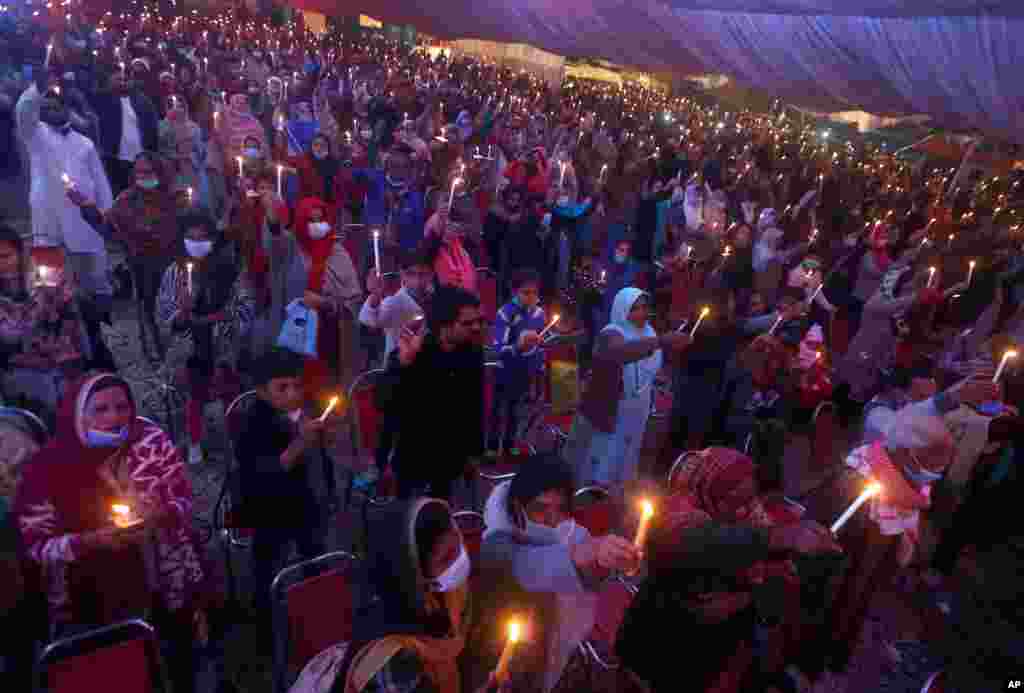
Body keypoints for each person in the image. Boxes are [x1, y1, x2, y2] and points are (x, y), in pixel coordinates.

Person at [14, 373, 208, 693]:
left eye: (121, 407)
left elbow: (186, 501)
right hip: (91, 598)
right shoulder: (50, 467)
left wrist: (162, 514)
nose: (114, 417)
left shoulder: (151, 441)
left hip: (166, 578)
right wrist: (90, 541)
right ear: (79, 414)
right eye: (100, 409)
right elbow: (35, 546)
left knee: (175, 659)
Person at [616, 449, 842, 693]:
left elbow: (760, 572)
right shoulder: (675, 523)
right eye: (734, 502)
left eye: (749, 499)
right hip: (658, 651)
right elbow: (712, 544)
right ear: (707, 492)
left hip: (710, 660)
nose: (744, 511)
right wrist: (782, 538)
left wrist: (776, 570)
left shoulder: (749, 520)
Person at [801, 408, 955, 683]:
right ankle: (810, 665)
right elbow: (824, 546)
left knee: (852, 610)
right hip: (832, 584)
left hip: (861, 586)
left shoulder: (910, 490)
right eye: (931, 465)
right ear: (907, 454)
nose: (934, 475)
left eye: (939, 467)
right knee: (827, 613)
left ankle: (834, 660)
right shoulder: (855, 481)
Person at [291, 498, 503, 693]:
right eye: (446, 557)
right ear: (414, 575)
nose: (460, 558)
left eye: (459, 540)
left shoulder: (442, 593)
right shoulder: (393, 661)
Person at [473, 455, 641, 692]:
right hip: (501, 658)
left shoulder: (569, 531)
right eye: (540, 509)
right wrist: (585, 554)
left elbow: (589, 570)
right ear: (516, 505)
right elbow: (528, 566)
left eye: (560, 509)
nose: (553, 521)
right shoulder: (496, 544)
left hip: (554, 654)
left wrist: (606, 557)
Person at [16, 74, 114, 339]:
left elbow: (101, 184)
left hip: (84, 225)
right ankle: (56, 340)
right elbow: (24, 112)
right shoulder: (35, 135)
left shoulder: (85, 143)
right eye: (47, 105)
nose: (53, 109)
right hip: (49, 224)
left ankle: (93, 341)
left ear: (67, 108)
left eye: (57, 105)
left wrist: (107, 215)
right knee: (50, 288)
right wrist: (37, 88)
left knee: (90, 290)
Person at [235, 349, 328, 616]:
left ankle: (317, 602)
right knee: (268, 563)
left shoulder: (297, 413)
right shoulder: (252, 423)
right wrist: (302, 442)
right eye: (282, 388)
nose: (293, 393)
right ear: (262, 392)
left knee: (313, 551)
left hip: (300, 498)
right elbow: (272, 469)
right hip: (266, 506)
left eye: (296, 385)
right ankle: (267, 620)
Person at [568, 287, 689, 490]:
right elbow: (621, 352)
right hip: (611, 407)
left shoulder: (648, 331)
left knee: (626, 453)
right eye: (635, 308)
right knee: (602, 455)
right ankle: (590, 496)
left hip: (637, 407)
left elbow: (649, 367)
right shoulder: (611, 333)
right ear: (622, 309)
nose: (642, 313)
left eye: (644, 307)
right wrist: (661, 341)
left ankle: (614, 493)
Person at [156, 212, 254, 465]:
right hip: (192, 344)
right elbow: (165, 310)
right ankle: (195, 441)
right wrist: (182, 313)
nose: (197, 243)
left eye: (203, 237)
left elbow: (245, 304)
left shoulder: (230, 269)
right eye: (191, 237)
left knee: (229, 391)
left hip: (223, 341)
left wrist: (223, 318)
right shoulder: (174, 271)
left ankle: (233, 440)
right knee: (194, 395)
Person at [388, 286, 484, 500]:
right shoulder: (414, 352)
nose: (476, 327)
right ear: (444, 325)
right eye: (467, 323)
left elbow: (475, 404)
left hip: (453, 453)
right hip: (415, 452)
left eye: (478, 321)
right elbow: (388, 405)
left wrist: (476, 452)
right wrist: (404, 363)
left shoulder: (473, 352)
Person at [0, 226, 88, 418]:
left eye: (5, 256)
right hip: (16, 373)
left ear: (20, 254)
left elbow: (72, 327)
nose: (1, 264)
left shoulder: (49, 283)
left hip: (61, 366)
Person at [101, 150, 180, 360]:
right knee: (151, 312)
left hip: (174, 265)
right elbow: (109, 227)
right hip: (143, 267)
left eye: (148, 172)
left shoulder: (173, 197)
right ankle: (157, 354)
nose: (143, 177)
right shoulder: (125, 200)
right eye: (139, 173)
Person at [488, 269, 546, 455]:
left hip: (524, 370)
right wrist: (518, 347)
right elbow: (498, 348)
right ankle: (491, 445)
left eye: (534, 293)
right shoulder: (505, 313)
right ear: (514, 292)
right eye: (525, 293)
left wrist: (540, 363)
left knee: (516, 408)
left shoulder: (539, 314)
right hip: (504, 369)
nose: (531, 297)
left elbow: (541, 343)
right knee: (498, 408)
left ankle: (510, 444)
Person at [359, 249, 435, 365]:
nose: (417, 281)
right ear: (402, 274)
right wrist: (375, 295)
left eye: (423, 274)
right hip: (399, 367)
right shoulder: (394, 301)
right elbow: (370, 320)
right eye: (411, 274)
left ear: (431, 274)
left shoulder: (437, 297)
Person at [91, 70, 160, 195]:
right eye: (118, 79)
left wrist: (152, 152)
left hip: (140, 158)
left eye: (124, 79)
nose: (122, 82)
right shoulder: (104, 100)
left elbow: (152, 127)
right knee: (119, 194)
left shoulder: (142, 100)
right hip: (115, 158)